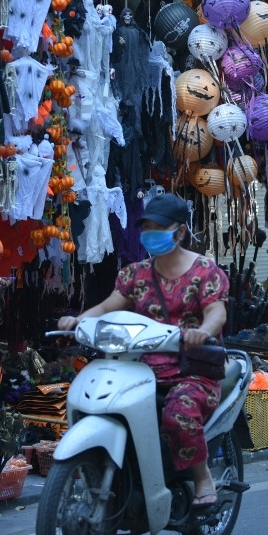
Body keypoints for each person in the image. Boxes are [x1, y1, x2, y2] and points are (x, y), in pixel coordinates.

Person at [57, 192, 229, 508]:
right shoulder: (134, 274)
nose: (151, 233)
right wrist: (77, 320)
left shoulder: (206, 271)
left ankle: (202, 477)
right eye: (146, 226)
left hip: (191, 369)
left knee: (179, 415)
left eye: (158, 227)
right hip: (142, 368)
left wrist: (202, 332)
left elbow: (217, 311)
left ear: (179, 232)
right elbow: (109, 306)